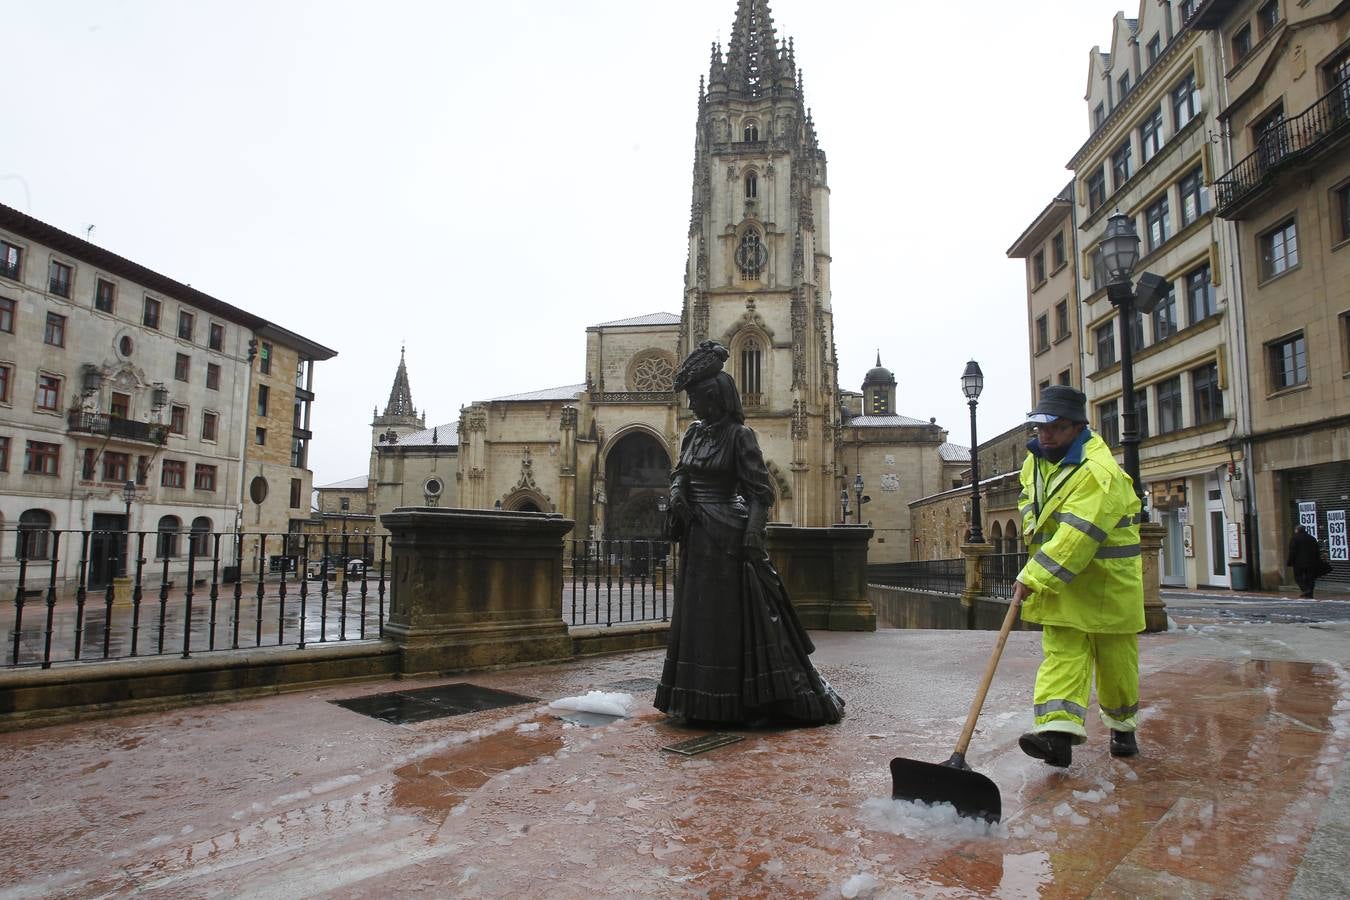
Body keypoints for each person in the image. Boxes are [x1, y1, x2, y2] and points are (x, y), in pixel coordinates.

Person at [653, 340, 844, 727]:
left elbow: (760, 493)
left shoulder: (740, 436)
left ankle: (736, 702)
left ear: (714, 398)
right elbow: (680, 473)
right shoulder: (693, 434)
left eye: (696, 398)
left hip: (728, 537)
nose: (691, 404)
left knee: (727, 619)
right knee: (698, 617)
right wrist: (677, 495)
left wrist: (753, 538)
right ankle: (698, 700)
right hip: (697, 536)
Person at [1013, 385, 1144, 767]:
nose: (1046, 435)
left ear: (1077, 427)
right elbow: (1028, 497)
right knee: (1062, 656)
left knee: (1116, 663)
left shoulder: (1098, 472)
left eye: (1056, 427)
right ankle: (1056, 736)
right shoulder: (1036, 461)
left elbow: (1079, 534)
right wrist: (1031, 523)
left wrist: (1033, 575)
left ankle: (1122, 727)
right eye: (1041, 427)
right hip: (1063, 582)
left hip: (1106, 584)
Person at [1287, 525, 1322, 599]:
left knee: (1298, 577)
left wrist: (1290, 561)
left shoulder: (1294, 538)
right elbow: (1317, 550)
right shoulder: (1312, 538)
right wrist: (1318, 560)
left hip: (1298, 562)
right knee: (1310, 578)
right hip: (1311, 562)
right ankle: (1310, 594)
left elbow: (1292, 551)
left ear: (1297, 530)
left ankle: (1305, 589)